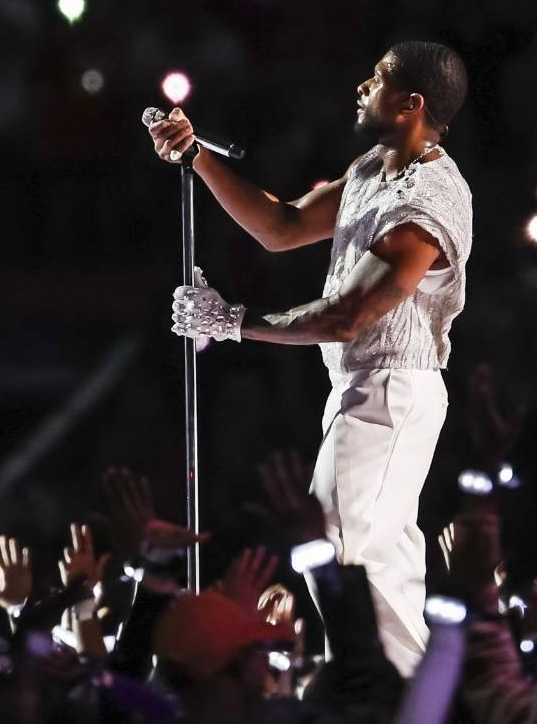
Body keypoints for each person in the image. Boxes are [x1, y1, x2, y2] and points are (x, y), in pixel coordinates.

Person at [150, 41, 472, 675]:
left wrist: (235, 323)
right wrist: (197, 157)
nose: (361, 85)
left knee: (343, 553)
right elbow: (282, 226)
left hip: (391, 390)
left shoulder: (432, 198)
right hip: (361, 390)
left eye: (376, 78)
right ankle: (404, 699)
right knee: (377, 567)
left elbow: (349, 315)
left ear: (412, 103)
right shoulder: (373, 171)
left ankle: (379, 698)